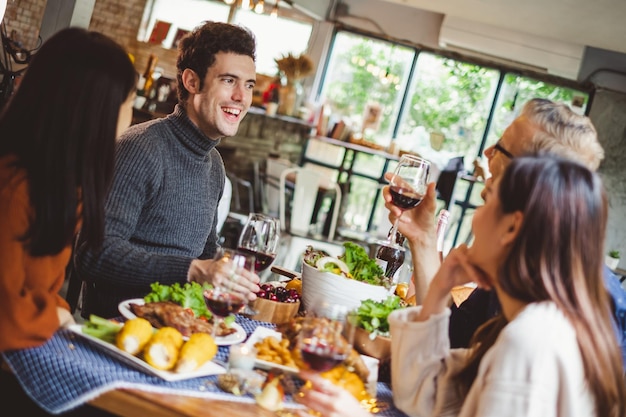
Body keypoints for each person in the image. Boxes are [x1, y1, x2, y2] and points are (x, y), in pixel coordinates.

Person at [296, 155, 626, 417]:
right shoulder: (533, 324)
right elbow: (425, 396)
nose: (475, 217)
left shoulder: (531, 343)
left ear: (512, 227)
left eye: (488, 201)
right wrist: (438, 286)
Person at [384, 98, 626, 358]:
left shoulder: (571, 316)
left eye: (499, 147)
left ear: (530, 175)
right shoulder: (521, 261)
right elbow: (455, 340)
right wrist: (422, 240)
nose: (487, 153)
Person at [74, 21, 261, 319]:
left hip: (181, 323)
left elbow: (205, 254)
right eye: (229, 81)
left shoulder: (214, 165)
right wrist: (192, 270)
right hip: (120, 328)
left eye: (249, 85)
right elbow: (93, 255)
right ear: (191, 81)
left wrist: (229, 276)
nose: (242, 97)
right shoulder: (141, 148)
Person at [0, 28, 137, 352]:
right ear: (96, 111)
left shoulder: (58, 185)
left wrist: (58, 314)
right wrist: (59, 318)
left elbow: (37, 292)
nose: (131, 117)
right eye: (130, 102)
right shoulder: (16, 190)